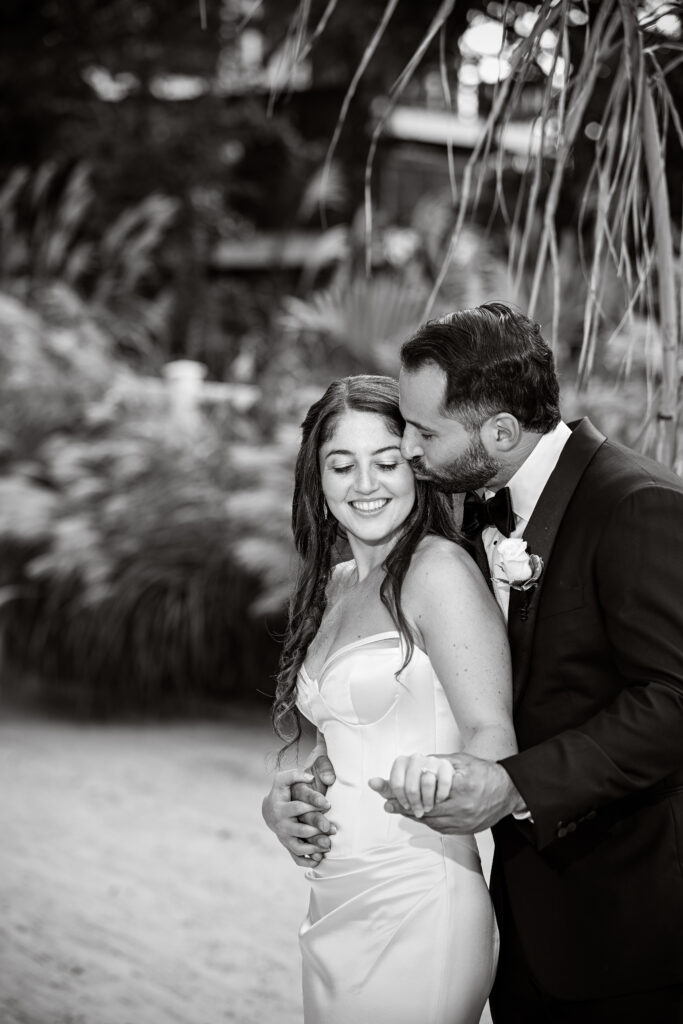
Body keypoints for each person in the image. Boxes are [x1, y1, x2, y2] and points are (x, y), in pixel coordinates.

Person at [262, 374, 517, 1024]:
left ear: (418, 468)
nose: (365, 484)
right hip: (332, 899)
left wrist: (441, 775)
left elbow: (493, 738)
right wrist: (287, 800)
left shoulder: (438, 573)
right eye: (341, 465)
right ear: (315, 479)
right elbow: (331, 737)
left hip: (417, 897)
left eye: (386, 461)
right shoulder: (331, 586)